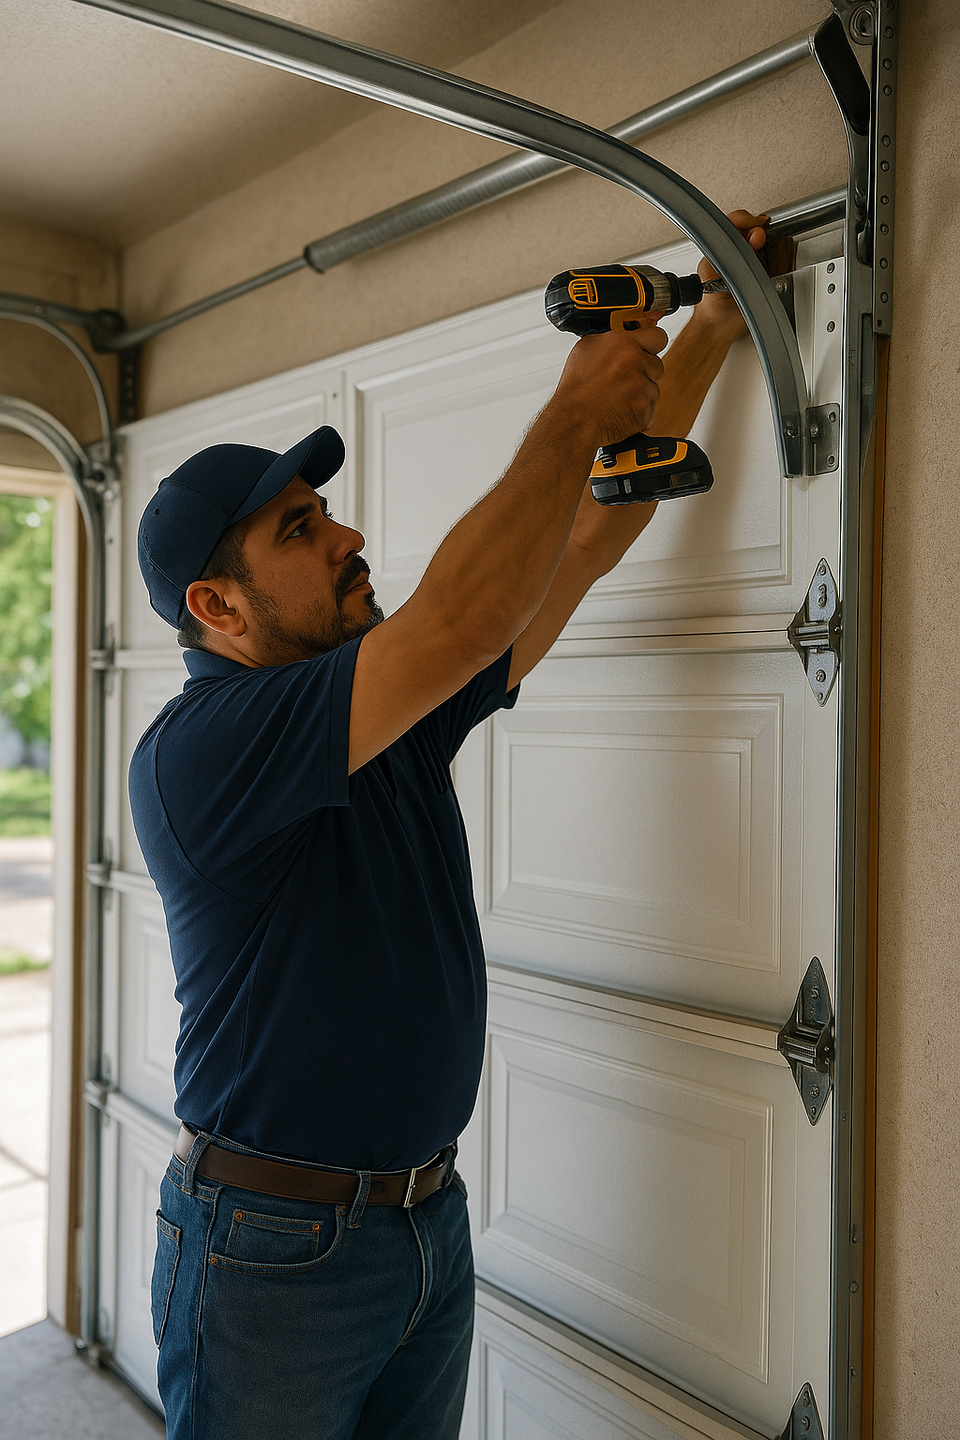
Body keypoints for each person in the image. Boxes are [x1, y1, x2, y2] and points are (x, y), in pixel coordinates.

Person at [129, 212, 768, 1440]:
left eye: (327, 509)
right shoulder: (201, 756)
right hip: (270, 1256)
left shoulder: (389, 711)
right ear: (218, 607)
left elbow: (580, 543)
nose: (349, 536)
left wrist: (710, 335)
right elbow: (470, 613)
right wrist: (575, 404)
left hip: (426, 1222)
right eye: (300, 533)